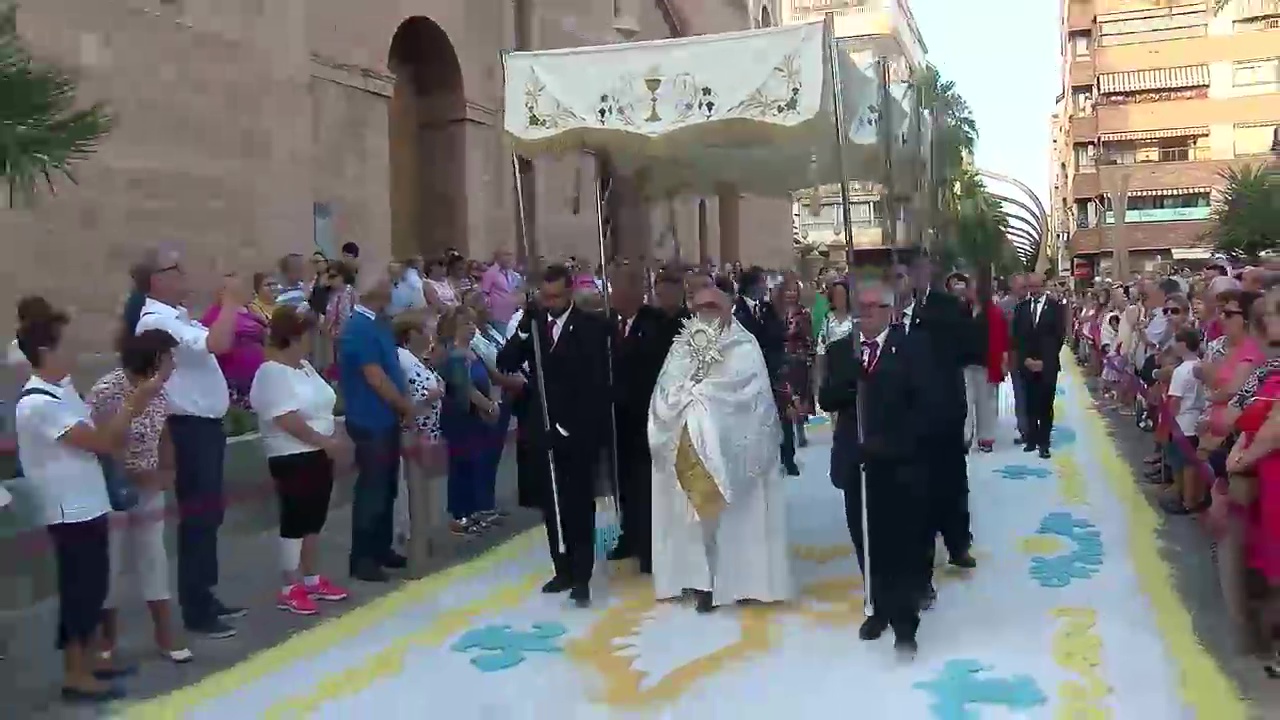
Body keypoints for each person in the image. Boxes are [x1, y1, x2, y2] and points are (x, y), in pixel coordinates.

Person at [16, 305, 163, 702]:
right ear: (46, 351)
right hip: (68, 511)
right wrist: (136, 401)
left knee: (95, 587)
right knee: (79, 592)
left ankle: (93, 660)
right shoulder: (37, 404)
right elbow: (100, 442)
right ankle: (75, 674)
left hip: (90, 504)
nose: (76, 350)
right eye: (67, 344)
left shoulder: (62, 391)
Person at [649, 285, 793, 613]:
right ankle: (702, 581)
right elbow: (666, 389)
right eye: (700, 307)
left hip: (733, 451)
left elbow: (748, 394)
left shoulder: (745, 345)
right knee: (695, 517)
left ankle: (741, 580)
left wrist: (703, 399)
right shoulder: (681, 347)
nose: (707, 312)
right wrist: (686, 400)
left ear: (729, 307)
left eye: (714, 305)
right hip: (688, 447)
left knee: (733, 517)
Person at [134, 250, 247, 638]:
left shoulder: (177, 317)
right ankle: (196, 608)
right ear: (156, 280)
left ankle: (205, 592)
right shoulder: (156, 322)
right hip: (187, 427)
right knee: (198, 516)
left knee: (209, 514)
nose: (184, 274)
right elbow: (218, 344)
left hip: (204, 426)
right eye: (175, 268)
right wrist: (231, 302)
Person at [819, 279, 934, 658]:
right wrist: (851, 385)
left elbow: (927, 405)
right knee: (864, 538)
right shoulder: (841, 350)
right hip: (855, 458)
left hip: (897, 461)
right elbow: (826, 398)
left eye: (872, 307)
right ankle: (877, 607)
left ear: (889, 311)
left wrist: (892, 443)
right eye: (859, 308)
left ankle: (904, 623)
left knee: (898, 542)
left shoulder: (913, 349)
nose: (863, 314)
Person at [497, 264, 610, 607]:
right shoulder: (533, 326)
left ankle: (582, 575)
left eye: (557, 296)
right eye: (545, 297)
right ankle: (561, 568)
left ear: (570, 292)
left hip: (577, 430)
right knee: (552, 504)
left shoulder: (592, 327)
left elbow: (594, 385)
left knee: (578, 503)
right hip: (541, 428)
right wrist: (521, 332)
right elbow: (505, 362)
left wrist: (569, 427)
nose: (551, 303)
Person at [87, 330, 191, 664]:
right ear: (154, 358)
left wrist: (167, 471)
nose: (174, 364)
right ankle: (107, 638)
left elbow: (164, 433)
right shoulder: (107, 390)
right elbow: (102, 442)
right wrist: (132, 474)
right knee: (110, 564)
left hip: (149, 489)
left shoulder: (160, 392)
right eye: (169, 357)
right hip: (110, 490)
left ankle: (164, 634)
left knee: (154, 557)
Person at [250, 307, 351, 615]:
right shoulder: (271, 371)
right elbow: (284, 417)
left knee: (314, 518)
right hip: (291, 454)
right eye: (307, 335)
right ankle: (289, 585)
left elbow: (322, 402)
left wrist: (330, 441)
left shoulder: (305, 367)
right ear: (293, 337)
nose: (312, 340)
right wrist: (323, 441)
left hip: (319, 452)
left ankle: (311, 577)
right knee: (295, 518)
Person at [337, 279, 415, 582]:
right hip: (369, 420)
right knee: (372, 488)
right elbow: (375, 376)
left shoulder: (379, 324)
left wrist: (402, 402)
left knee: (387, 487)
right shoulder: (358, 328)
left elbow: (392, 367)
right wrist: (403, 406)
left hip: (386, 418)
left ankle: (381, 547)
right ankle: (363, 558)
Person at [605, 266, 667, 574]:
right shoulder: (608, 325)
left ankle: (649, 545)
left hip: (648, 416)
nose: (612, 294)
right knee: (624, 481)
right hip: (619, 420)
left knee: (646, 485)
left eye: (617, 288)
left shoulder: (655, 324)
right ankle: (628, 535)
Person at [732, 267, 793, 475]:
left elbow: (779, 334)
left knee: (776, 420)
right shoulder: (736, 311)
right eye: (761, 283)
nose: (764, 287)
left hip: (771, 374)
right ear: (751, 286)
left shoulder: (767, 309)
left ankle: (783, 458)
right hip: (748, 377)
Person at [1012, 271, 1067, 459]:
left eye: (1036, 286)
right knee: (1029, 403)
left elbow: (1059, 336)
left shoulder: (1055, 308)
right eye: (1030, 287)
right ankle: (1032, 439)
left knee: (1045, 403)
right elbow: (1016, 337)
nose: (1033, 290)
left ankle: (1044, 442)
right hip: (1027, 363)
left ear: (1043, 286)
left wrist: (1045, 361)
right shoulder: (1021, 308)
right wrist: (1025, 359)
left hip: (1047, 364)